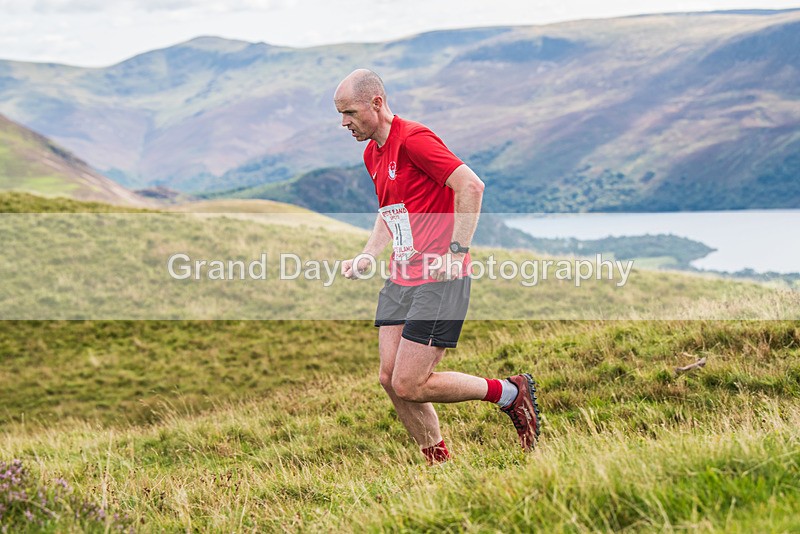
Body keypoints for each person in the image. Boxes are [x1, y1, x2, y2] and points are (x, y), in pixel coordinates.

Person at [335, 69, 540, 464]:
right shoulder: (371, 153)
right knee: (389, 379)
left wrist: (457, 252)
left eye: (349, 112)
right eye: (341, 114)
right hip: (400, 277)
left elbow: (471, 186)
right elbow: (390, 211)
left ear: (376, 103)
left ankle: (511, 394)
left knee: (410, 383)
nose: (344, 122)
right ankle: (439, 464)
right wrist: (367, 254)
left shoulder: (414, 139)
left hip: (439, 278)